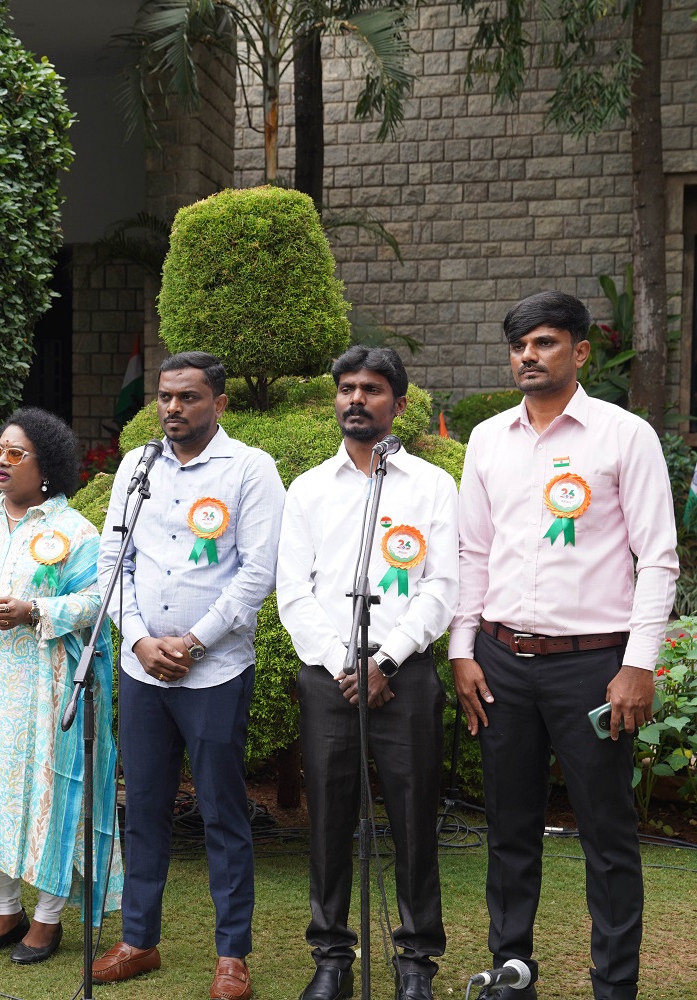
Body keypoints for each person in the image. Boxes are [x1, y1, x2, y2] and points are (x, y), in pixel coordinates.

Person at [450, 292, 677, 1000]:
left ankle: (615, 983)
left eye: (544, 343)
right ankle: (511, 970)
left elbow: (659, 557)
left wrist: (637, 664)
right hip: (500, 664)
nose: (528, 356)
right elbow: (471, 552)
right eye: (518, 344)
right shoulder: (488, 439)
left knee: (606, 833)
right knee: (509, 826)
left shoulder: (623, 436)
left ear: (580, 352)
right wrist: (462, 650)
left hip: (593, 667)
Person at [92, 352, 284, 997]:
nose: (173, 408)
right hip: (142, 669)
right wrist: (140, 640)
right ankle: (138, 939)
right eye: (166, 397)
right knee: (142, 807)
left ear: (220, 404)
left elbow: (257, 573)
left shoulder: (250, 469)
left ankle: (233, 955)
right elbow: (111, 560)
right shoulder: (137, 464)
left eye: (189, 398)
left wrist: (195, 643)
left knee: (223, 812)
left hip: (216, 672)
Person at [276, 347, 457, 1000]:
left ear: (399, 405)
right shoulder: (309, 488)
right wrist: (342, 663)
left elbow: (442, 586)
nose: (356, 398)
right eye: (346, 388)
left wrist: (384, 660)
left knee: (413, 821)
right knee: (328, 820)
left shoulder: (432, 487)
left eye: (372, 389)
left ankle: (416, 964)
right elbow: (292, 591)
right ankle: (331, 959)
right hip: (329, 679)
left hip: (404, 676)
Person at [0, 406, 122, 965]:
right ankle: (6, 908)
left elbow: (96, 604)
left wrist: (34, 609)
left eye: (15, 454)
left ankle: (47, 919)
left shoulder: (74, 531)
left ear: (46, 466)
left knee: (52, 794)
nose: (1, 461)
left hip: (50, 687)